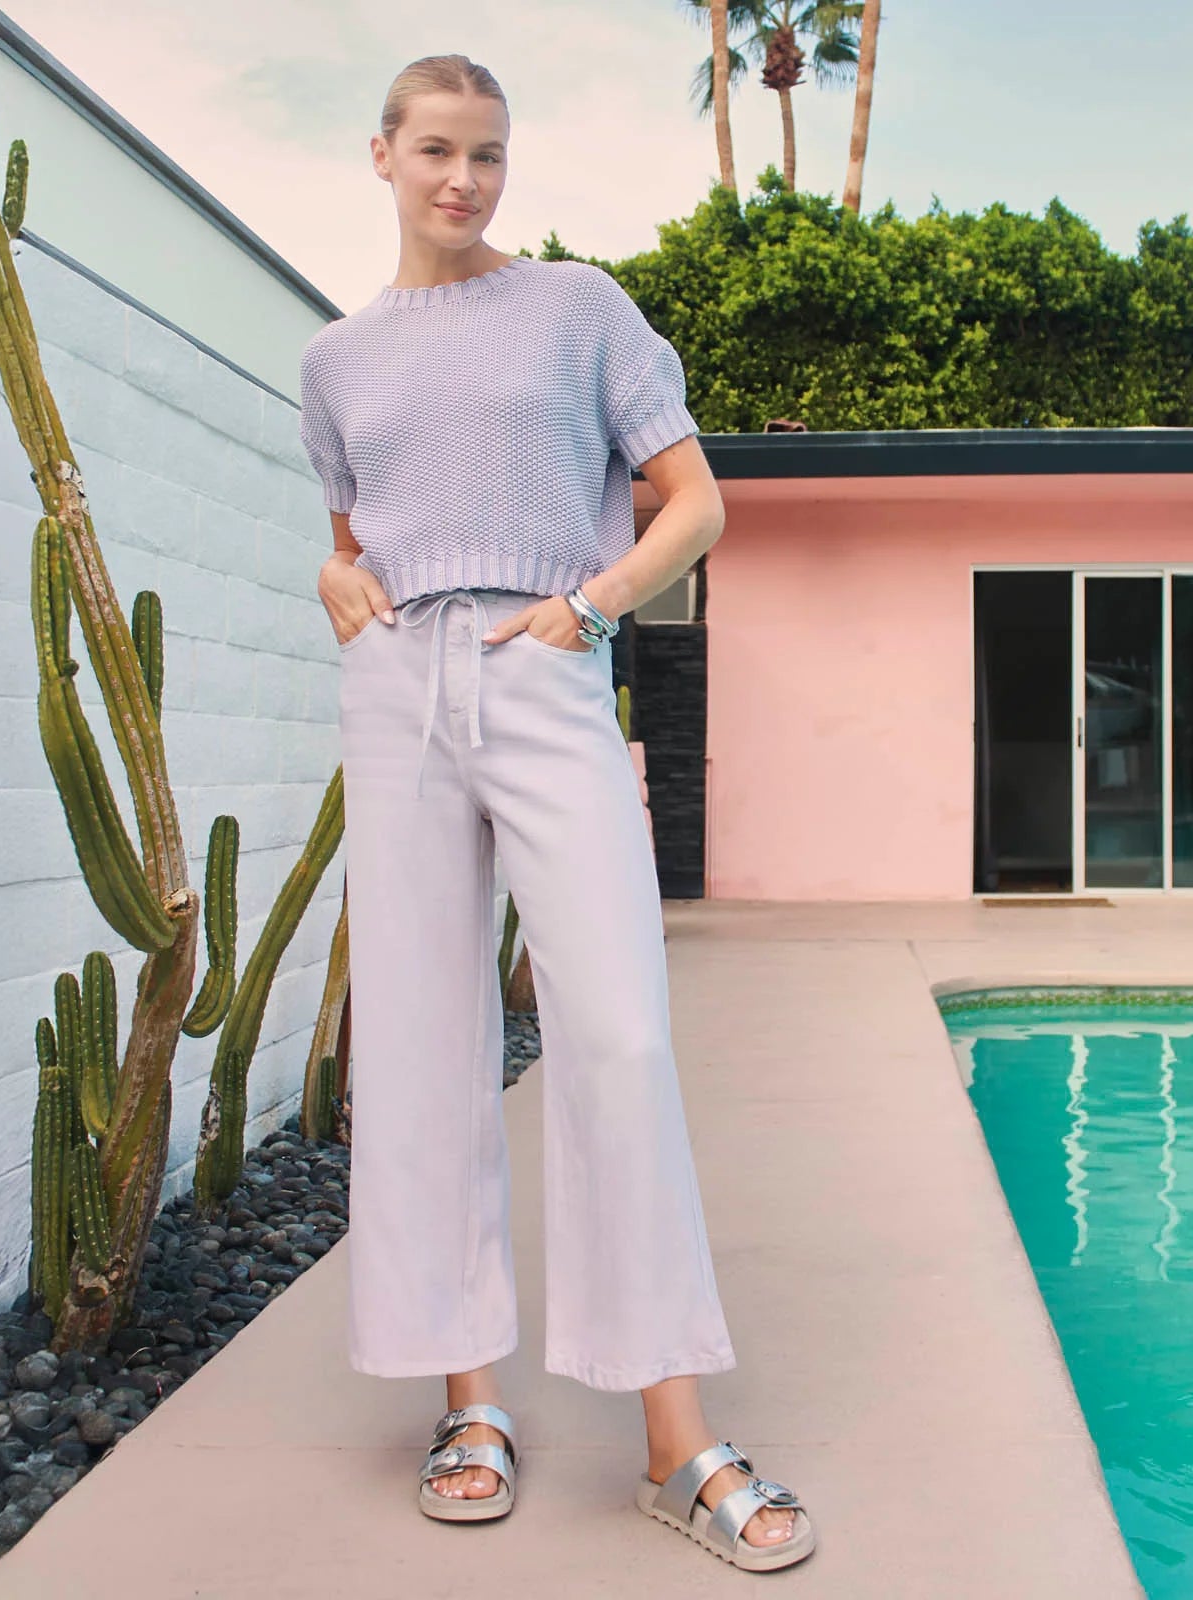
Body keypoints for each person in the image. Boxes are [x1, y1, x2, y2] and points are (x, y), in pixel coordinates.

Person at [298, 52, 815, 1573]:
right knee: (419, 1038)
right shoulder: (337, 360)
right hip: (400, 689)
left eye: (490, 155)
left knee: (619, 1031)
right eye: (438, 151)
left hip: (540, 662)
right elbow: (353, 540)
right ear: (381, 152)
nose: (465, 180)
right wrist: (337, 582)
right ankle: (472, 1402)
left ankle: (676, 1436)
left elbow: (695, 500)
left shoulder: (581, 309)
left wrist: (587, 609)